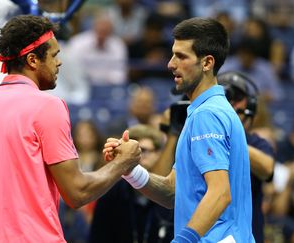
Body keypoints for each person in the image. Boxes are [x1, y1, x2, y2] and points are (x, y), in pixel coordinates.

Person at [0, 15, 141, 243]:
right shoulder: (48, 106)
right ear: (33, 60)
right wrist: (123, 162)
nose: (59, 62)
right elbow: (77, 192)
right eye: (54, 55)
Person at [104, 17, 255, 242]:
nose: (171, 63)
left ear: (207, 63)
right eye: (173, 54)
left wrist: (183, 240)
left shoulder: (207, 115)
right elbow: (173, 192)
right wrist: (129, 169)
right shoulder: (205, 111)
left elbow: (220, 193)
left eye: (181, 56)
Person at [89, 124, 174, 243]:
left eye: (143, 150)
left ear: (158, 154)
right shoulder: (111, 193)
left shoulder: (169, 190)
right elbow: (98, 237)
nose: (136, 157)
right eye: (131, 152)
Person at [218, 71, 275, 243]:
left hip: (246, 233)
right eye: (225, 95)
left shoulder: (257, 143)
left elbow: (267, 170)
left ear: (249, 104)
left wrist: (229, 132)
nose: (230, 102)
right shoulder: (201, 138)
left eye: (237, 97)